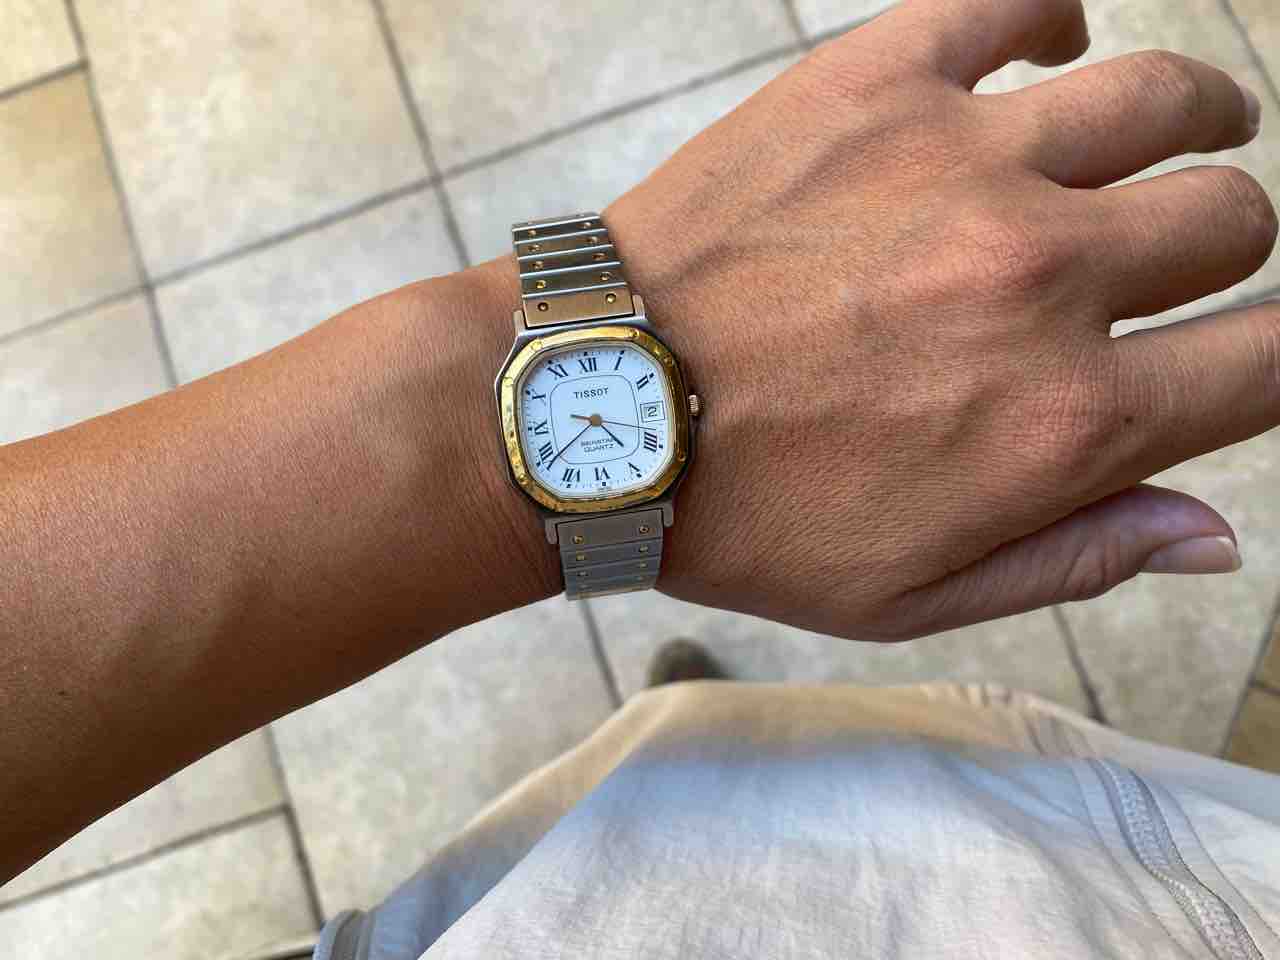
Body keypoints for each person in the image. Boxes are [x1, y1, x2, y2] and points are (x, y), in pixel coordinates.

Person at [2, 0, 1278, 955]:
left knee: (677, 770)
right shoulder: (599, 445)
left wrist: (477, 390)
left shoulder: (585, 393)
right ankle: (692, 730)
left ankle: (687, 728)